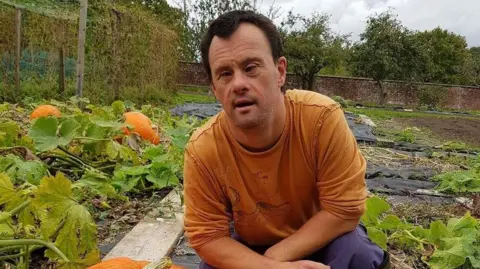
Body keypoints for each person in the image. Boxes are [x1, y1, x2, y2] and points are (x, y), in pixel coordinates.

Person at [182, 10, 390, 269]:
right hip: (254, 249)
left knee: (358, 254)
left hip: (322, 237)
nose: (238, 84)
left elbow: (344, 210)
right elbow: (208, 237)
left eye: (250, 68)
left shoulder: (320, 119)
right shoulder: (202, 149)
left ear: (280, 71)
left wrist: (276, 256)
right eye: (225, 73)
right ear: (214, 89)